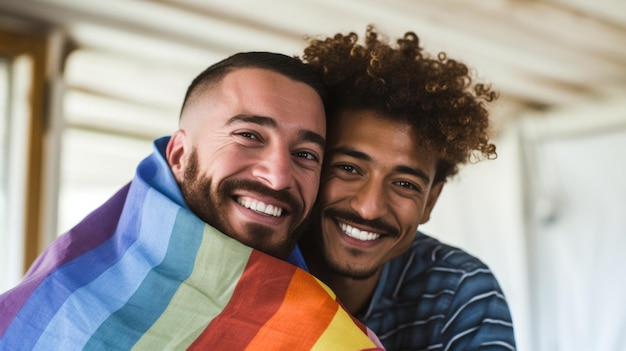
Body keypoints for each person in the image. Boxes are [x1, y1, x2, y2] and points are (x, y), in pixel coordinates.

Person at [0, 52, 384, 350]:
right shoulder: (60, 302)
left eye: (305, 155)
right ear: (180, 155)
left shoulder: (330, 335)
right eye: (249, 136)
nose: (279, 176)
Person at [297, 27, 517, 350]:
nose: (369, 207)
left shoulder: (460, 290)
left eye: (404, 184)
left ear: (430, 201)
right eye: (347, 168)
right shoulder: (255, 260)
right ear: (310, 165)